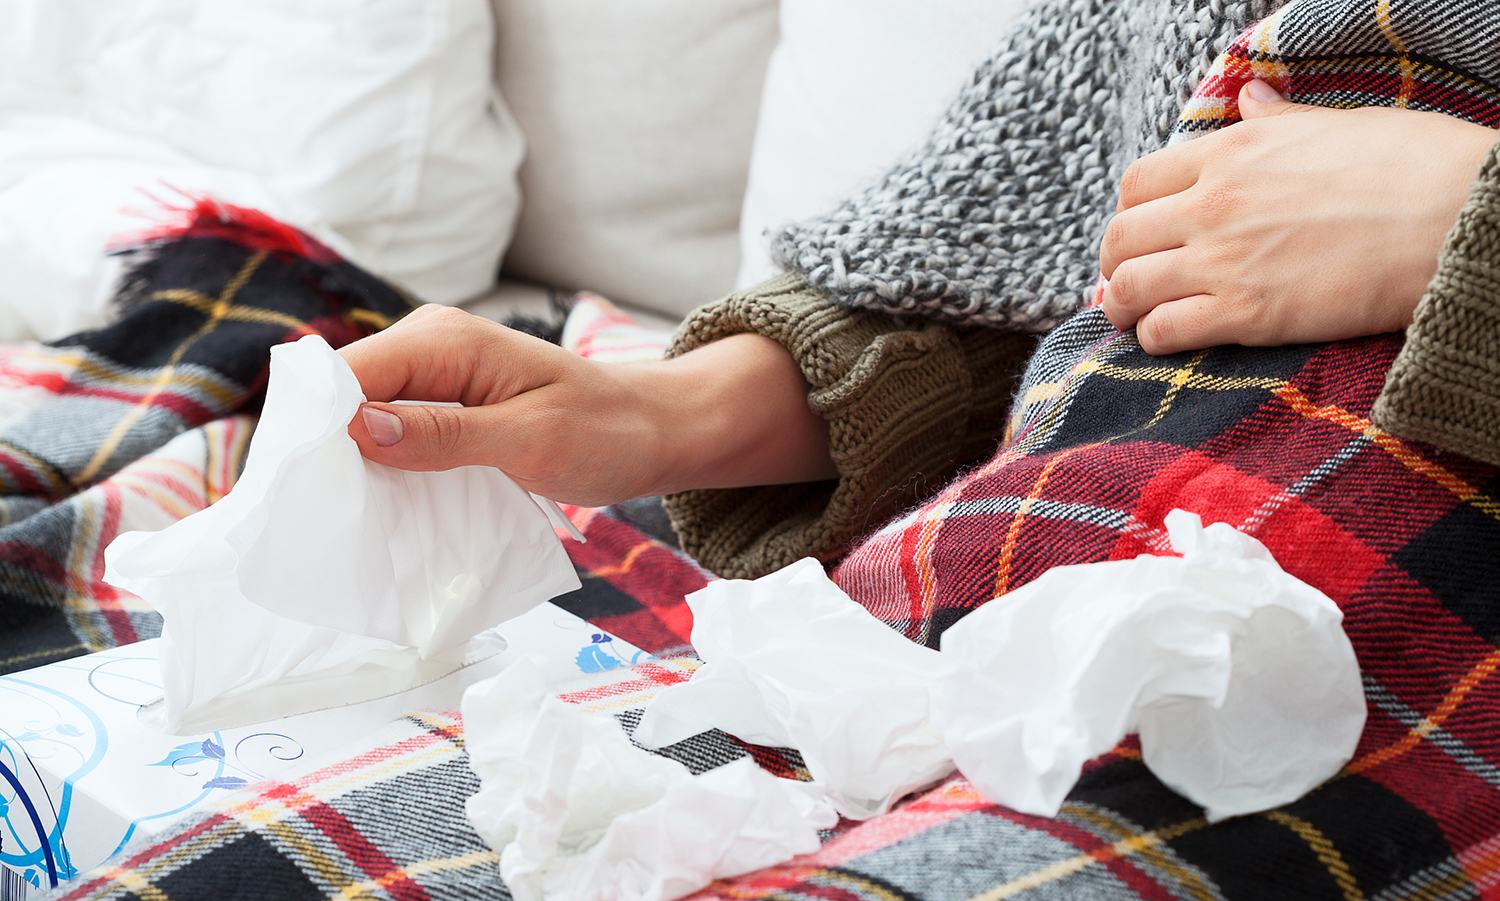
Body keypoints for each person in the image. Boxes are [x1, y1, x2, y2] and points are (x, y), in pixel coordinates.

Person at [339, 16, 1500, 581]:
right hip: (1042, 596)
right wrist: (650, 418)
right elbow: (1030, 277)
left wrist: (1462, 223)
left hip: (1391, 647)